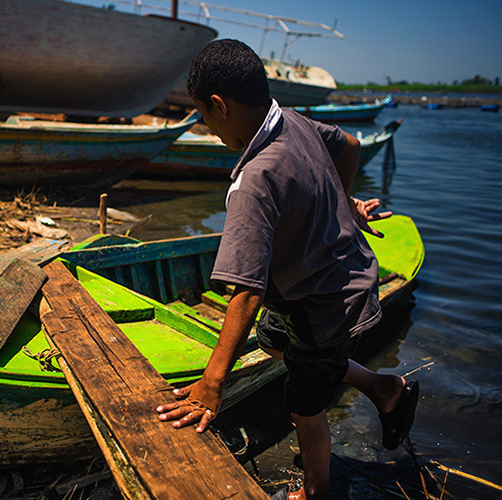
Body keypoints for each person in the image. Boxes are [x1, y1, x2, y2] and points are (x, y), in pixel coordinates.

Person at [155, 39, 419, 500]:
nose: (205, 126)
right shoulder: (294, 121)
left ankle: (313, 494)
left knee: (305, 406)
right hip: (316, 281)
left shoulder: (254, 181)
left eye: (202, 114)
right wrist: (345, 202)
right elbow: (351, 144)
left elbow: (247, 294)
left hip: (328, 303)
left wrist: (211, 385)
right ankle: (385, 388)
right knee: (274, 342)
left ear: (220, 106)